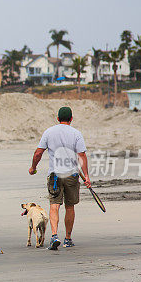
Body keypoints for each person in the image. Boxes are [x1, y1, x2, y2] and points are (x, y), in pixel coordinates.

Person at [28, 106, 91, 250]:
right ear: (71, 119)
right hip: (71, 175)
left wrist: (33, 167)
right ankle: (67, 239)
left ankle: (54, 236)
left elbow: (38, 153)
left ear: (57, 119)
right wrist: (86, 176)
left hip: (55, 175)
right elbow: (82, 156)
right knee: (70, 206)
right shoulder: (76, 134)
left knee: (54, 206)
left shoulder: (49, 132)